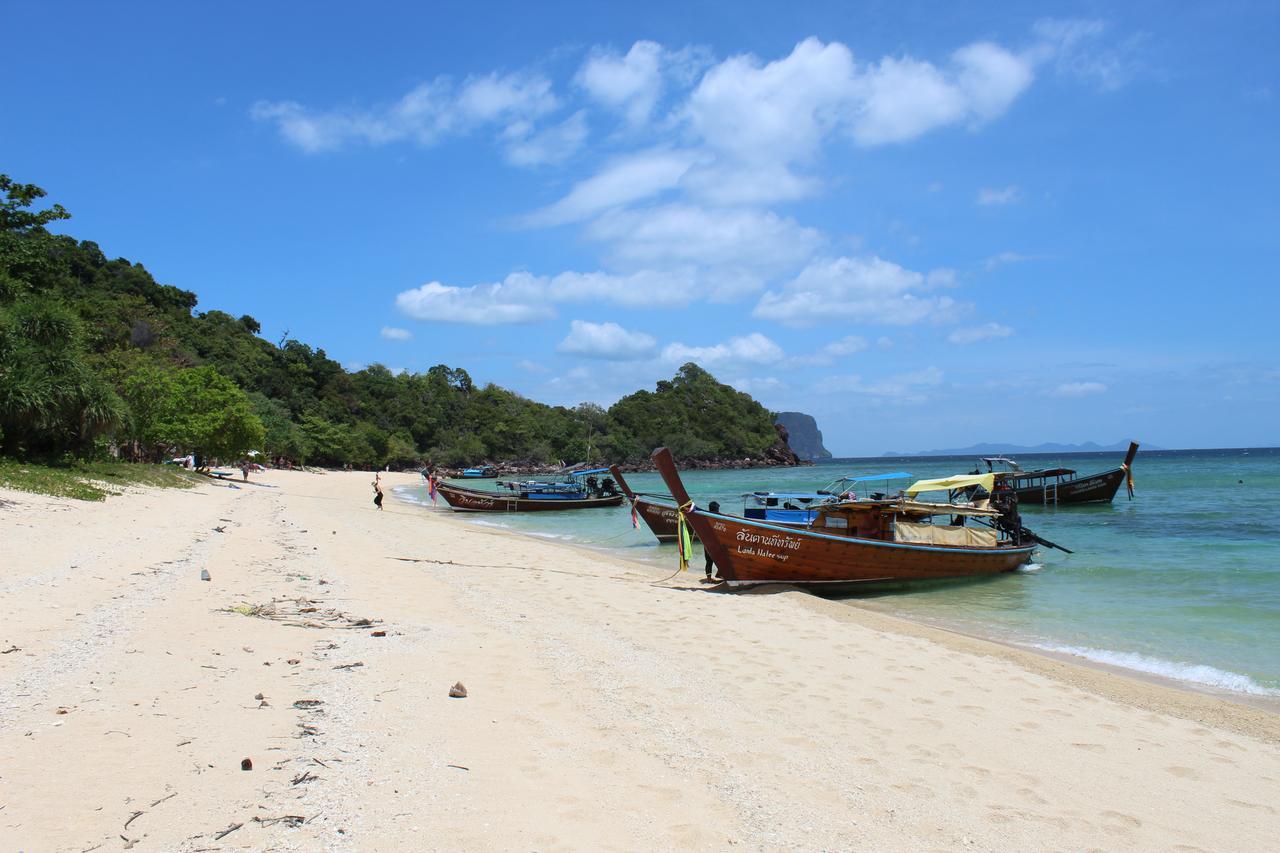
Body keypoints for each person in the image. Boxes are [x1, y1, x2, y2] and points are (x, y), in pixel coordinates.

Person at [702, 501, 721, 582]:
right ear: (717, 509)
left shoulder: (705, 517)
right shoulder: (719, 517)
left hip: (707, 543)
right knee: (721, 560)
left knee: (709, 561)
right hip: (715, 543)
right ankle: (720, 574)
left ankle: (709, 578)